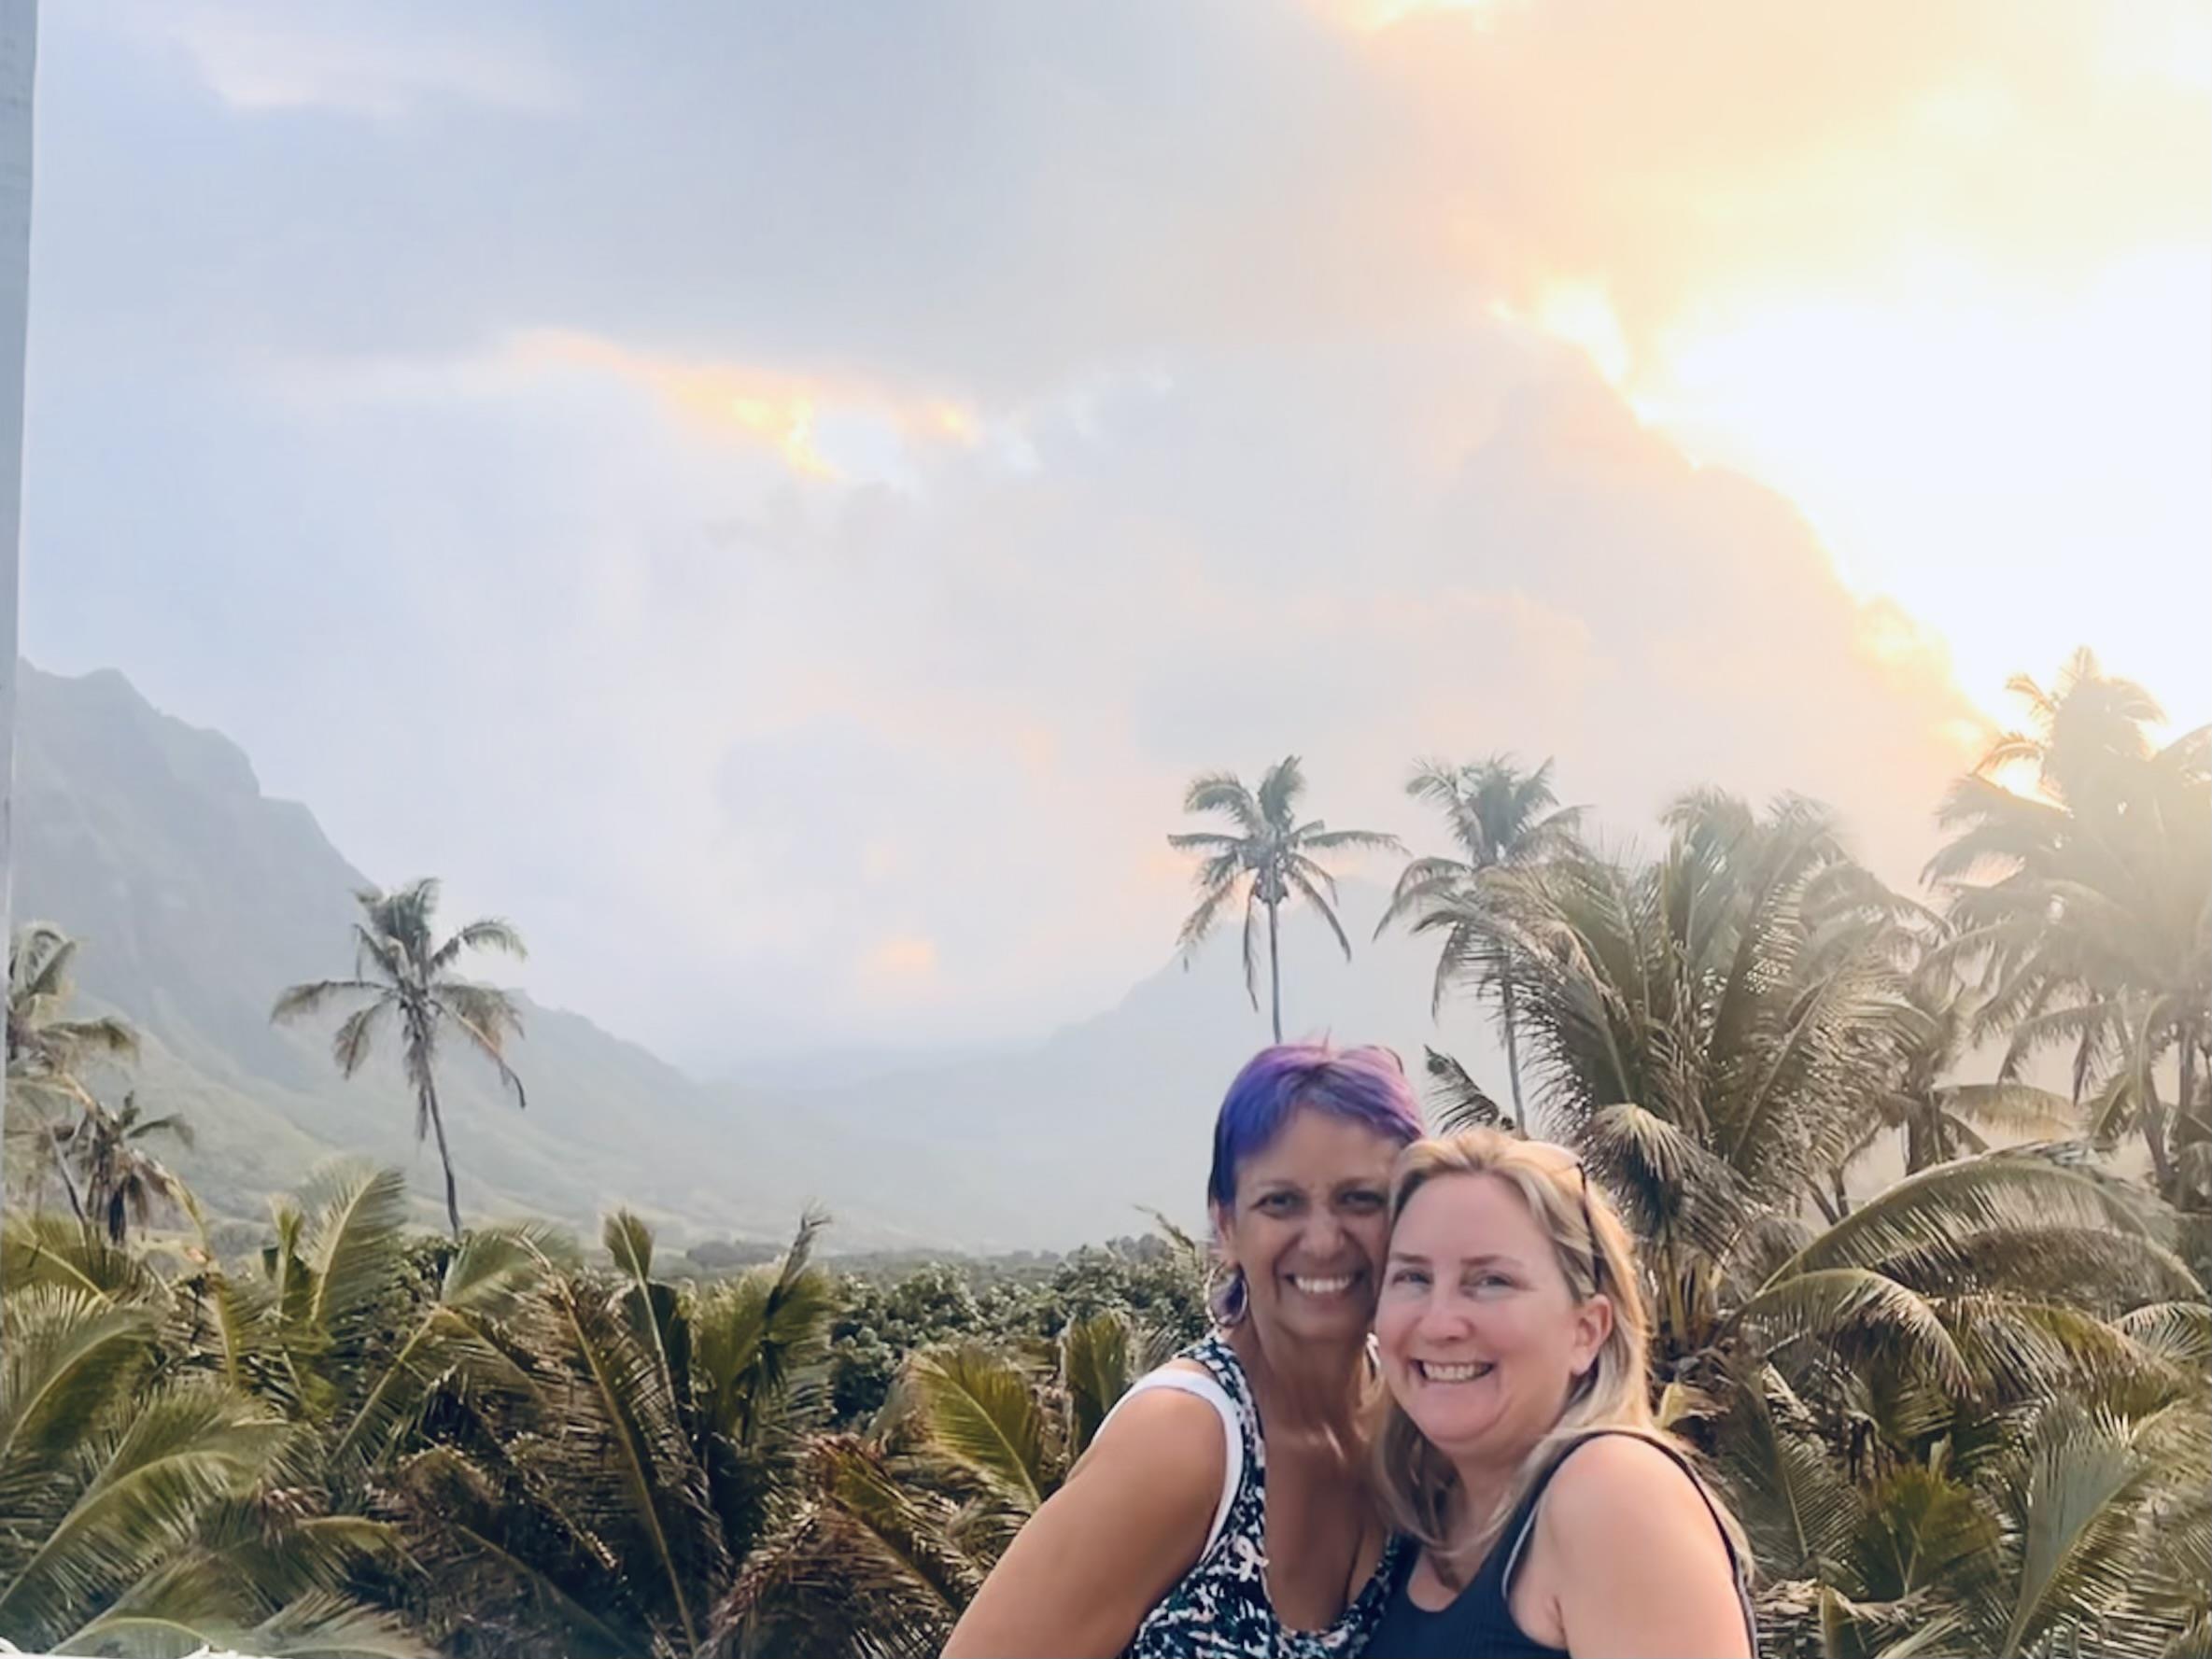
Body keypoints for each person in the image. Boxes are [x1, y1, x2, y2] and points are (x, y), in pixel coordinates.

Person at [943, 1043, 1425, 1658]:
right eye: (1280, 1202)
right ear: (1226, 1226)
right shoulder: (1184, 1440)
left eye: (1361, 1198)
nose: (1324, 1240)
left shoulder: (1412, 1416)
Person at [1362, 1130, 1755, 1658]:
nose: (1439, 1323)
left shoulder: (1612, 1494)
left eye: (1491, 1281)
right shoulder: (1419, 1521)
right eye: (1412, 1277)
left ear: (1586, 1331)